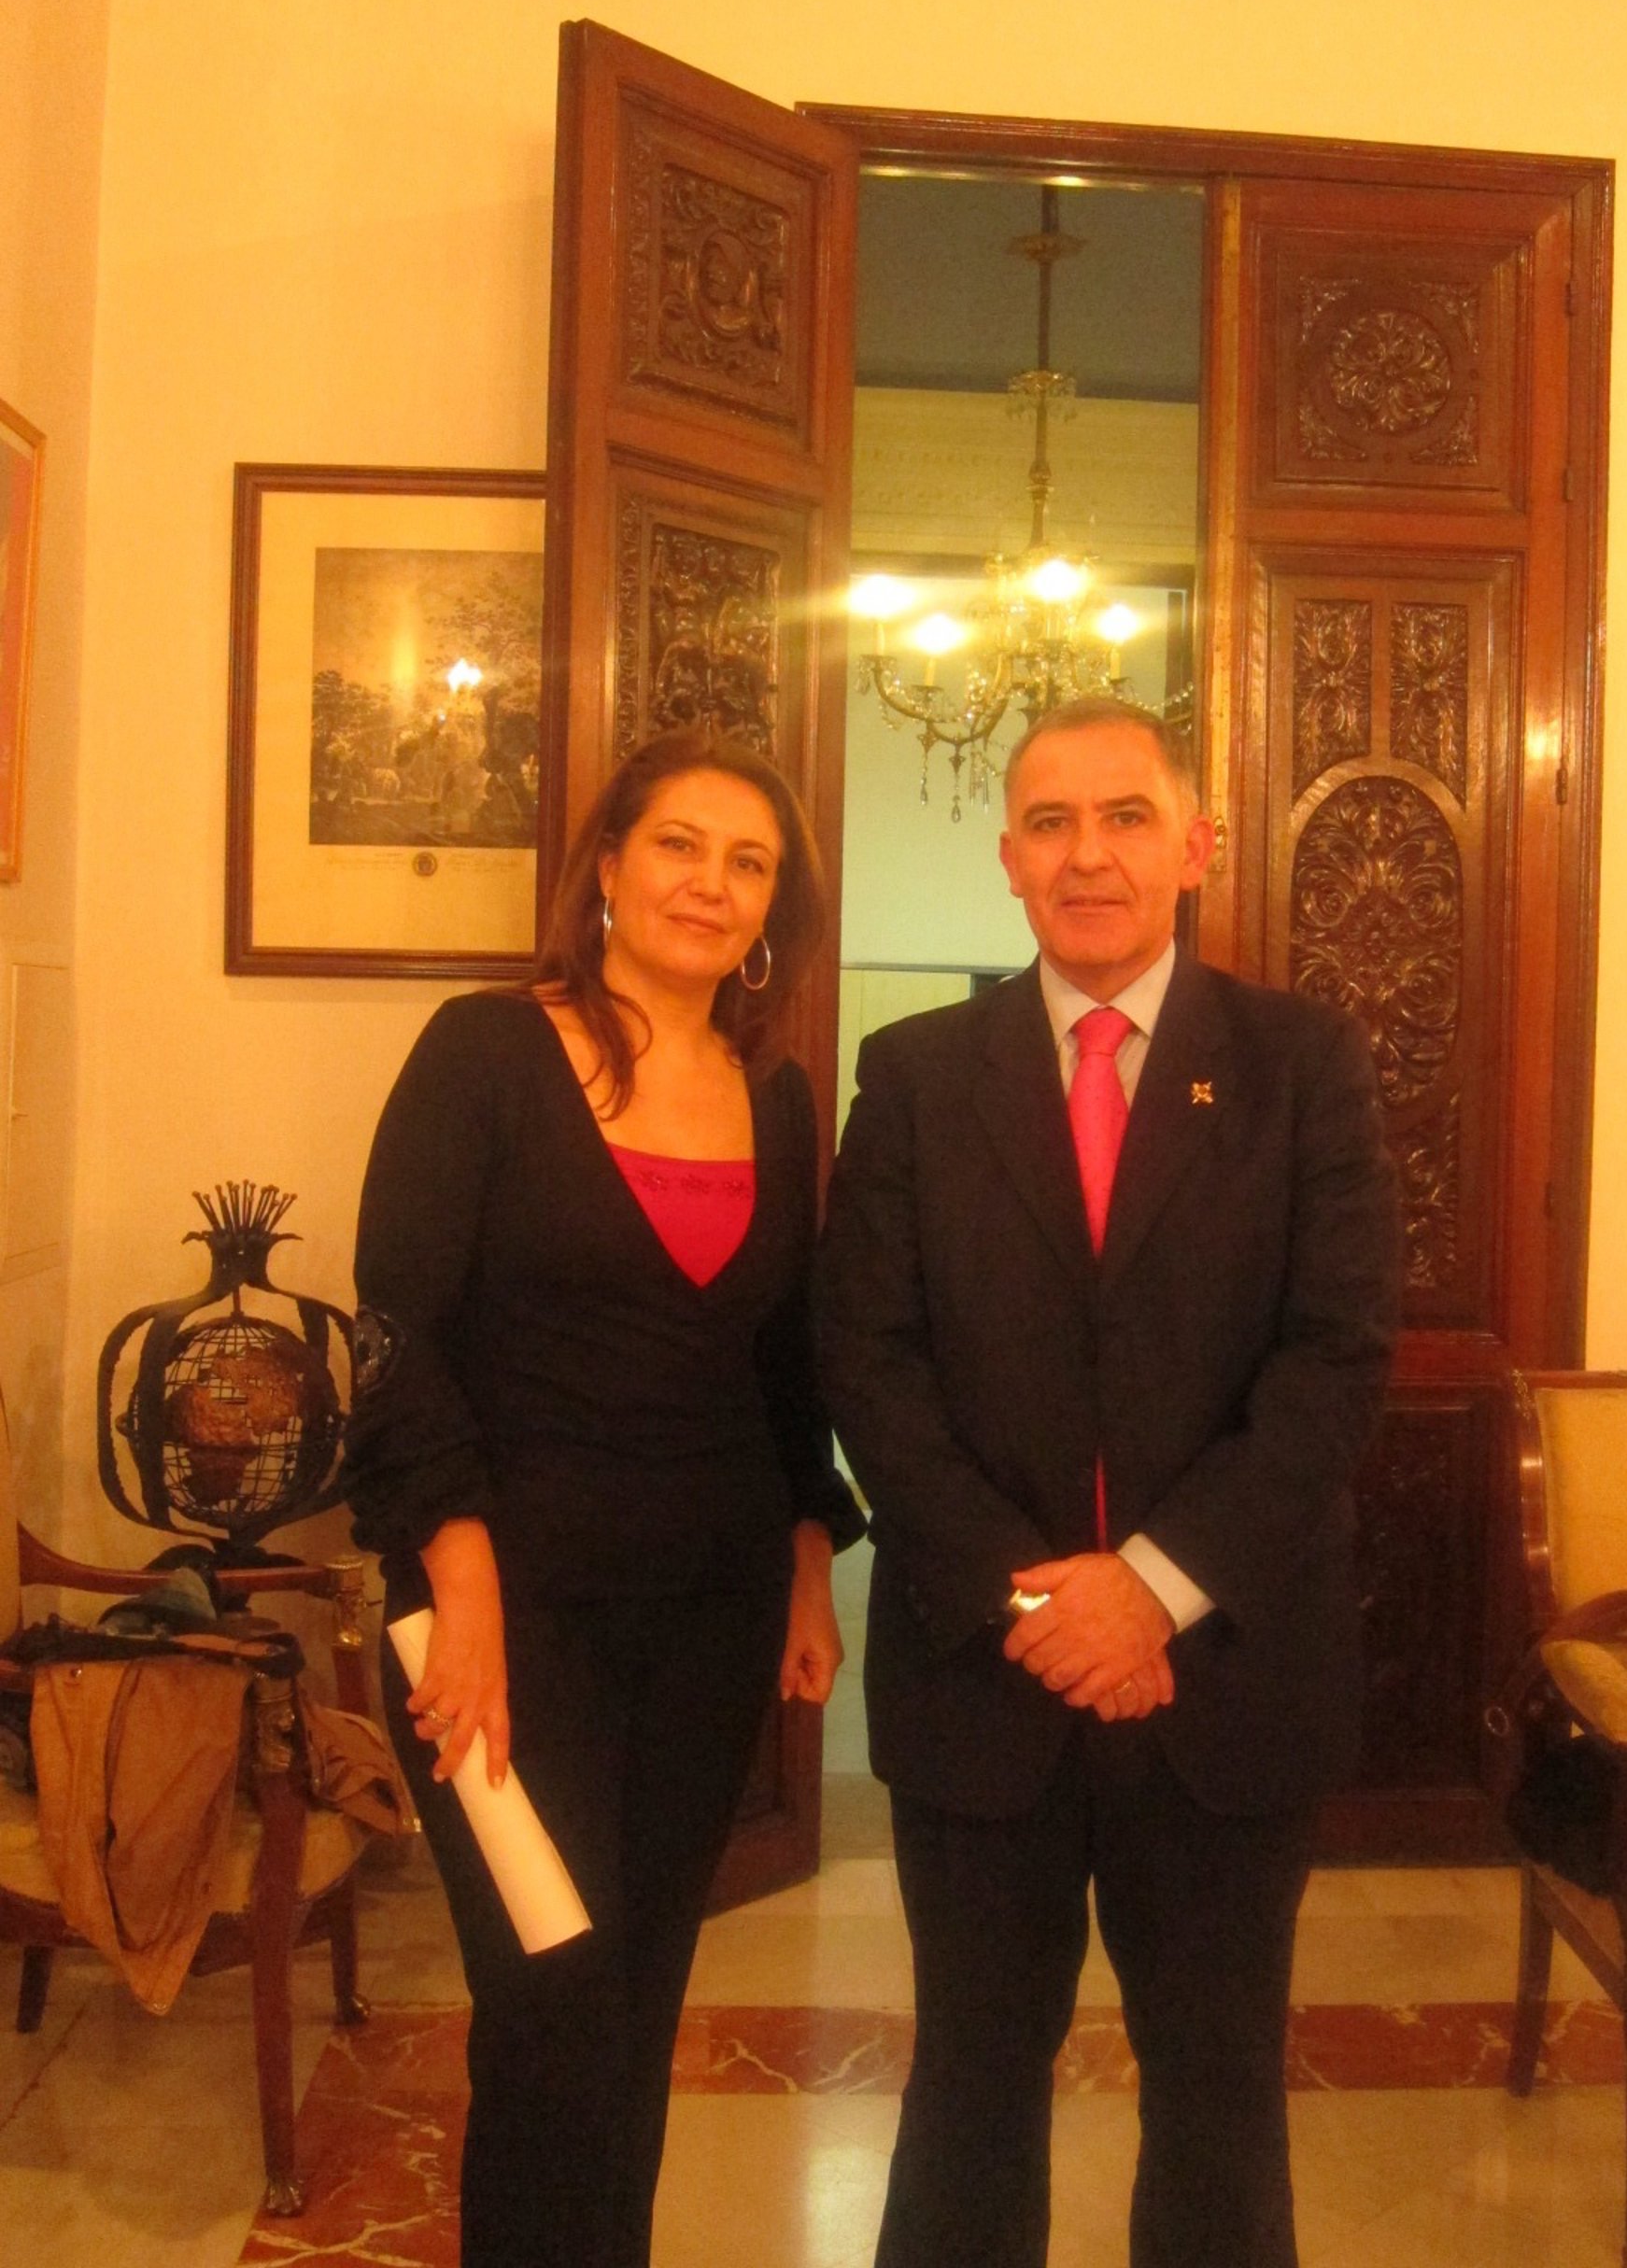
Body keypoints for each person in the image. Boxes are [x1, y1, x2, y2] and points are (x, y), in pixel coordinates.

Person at [817, 697, 1400, 2268]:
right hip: (982, 1682)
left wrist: (1147, 1591)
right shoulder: (915, 1074)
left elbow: (1336, 1356)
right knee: (967, 2096)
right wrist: (1040, 1602)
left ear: (1195, 846)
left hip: (1224, 1685)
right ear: (1008, 857)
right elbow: (868, 1362)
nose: (1089, 855)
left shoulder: (1300, 1064)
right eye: (1052, 822)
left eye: (1127, 816)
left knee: (1219, 2102)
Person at [343, 727, 865, 2268]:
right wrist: (463, 1587)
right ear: (611, 870)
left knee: (637, 2001)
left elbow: (784, 1364)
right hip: (503, 1617)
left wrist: (808, 1561)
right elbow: (397, 1328)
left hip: (707, 1614)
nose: (711, 883)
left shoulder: (776, 1097)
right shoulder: (484, 1053)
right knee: (551, 1993)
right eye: (681, 845)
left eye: (749, 863)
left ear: (771, 910)